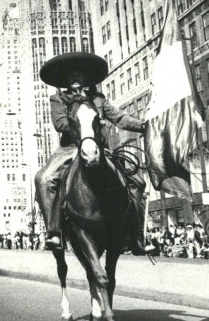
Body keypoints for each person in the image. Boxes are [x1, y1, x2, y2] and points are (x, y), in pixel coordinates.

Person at [34, 52, 155, 255]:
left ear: (85, 78)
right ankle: (54, 231)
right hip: (70, 148)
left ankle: (137, 236)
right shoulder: (58, 99)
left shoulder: (98, 99)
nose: (75, 78)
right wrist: (83, 121)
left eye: (79, 75)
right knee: (44, 179)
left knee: (138, 181)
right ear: (66, 80)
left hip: (99, 147)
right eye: (71, 75)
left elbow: (120, 118)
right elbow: (59, 123)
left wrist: (143, 126)